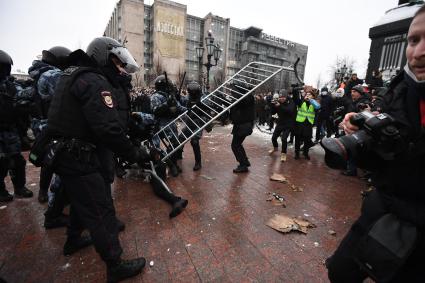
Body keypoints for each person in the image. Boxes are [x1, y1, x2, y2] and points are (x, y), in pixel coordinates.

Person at [327, 6, 425, 282]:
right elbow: (383, 161)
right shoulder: (398, 91)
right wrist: (362, 137)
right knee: (340, 271)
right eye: (414, 40)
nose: (418, 52)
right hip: (383, 209)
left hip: (418, 232)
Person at [47, 37, 150, 282]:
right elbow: (108, 129)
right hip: (78, 156)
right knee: (100, 208)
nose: (121, 68)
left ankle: (72, 240)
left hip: (66, 153)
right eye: (117, 62)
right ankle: (115, 265)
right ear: (103, 56)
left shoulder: (75, 74)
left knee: (80, 200)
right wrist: (134, 153)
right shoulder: (94, 81)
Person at [0, 50, 33, 202]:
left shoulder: (10, 86)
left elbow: (23, 96)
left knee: (17, 161)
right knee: (1, 162)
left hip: (10, 130)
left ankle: (20, 187)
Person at [150, 75, 186, 177]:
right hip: (159, 125)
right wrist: (166, 104)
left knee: (174, 145)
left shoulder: (170, 96)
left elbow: (178, 108)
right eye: (168, 85)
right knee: (157, 148)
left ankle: (173, 164)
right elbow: (155, 110)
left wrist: (189, 109)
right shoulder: (155, 96)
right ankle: (170, 165)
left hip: (171, 124)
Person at [230, 81, 255, 173]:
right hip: (240, 125)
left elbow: (242, 102)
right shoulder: (242, 97)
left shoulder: (247, 97)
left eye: (234, 89)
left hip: (243, 125)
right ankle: (244, 162)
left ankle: (243, 164)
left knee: (235, 145)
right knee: (237, 145)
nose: (232, 91)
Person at [268, 89, 296, 162]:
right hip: (280, 123)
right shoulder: (278, 102)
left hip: (288, 124)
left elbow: (289, 110)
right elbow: (273, 112)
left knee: (284, 138)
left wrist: (280, 106)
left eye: (283, 97)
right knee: (273, 138)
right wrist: (272, 105)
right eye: (280, 97)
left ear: (286, 96)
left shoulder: (291, 102)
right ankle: (275, 148)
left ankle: (283, 153)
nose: (281, 99)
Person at [293, 89, 320, 160]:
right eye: (306, 94)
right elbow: (295, 98)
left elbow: (318, 107)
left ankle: (305, 153)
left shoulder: (314, 104)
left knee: (307, 139)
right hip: (300, 123)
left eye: (309, 95)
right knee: (298, 139)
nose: (307, 95)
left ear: (313, 97)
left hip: (308, 124)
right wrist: (295, 89)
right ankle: (297, 153)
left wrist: (311, 100)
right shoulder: (301, 102)